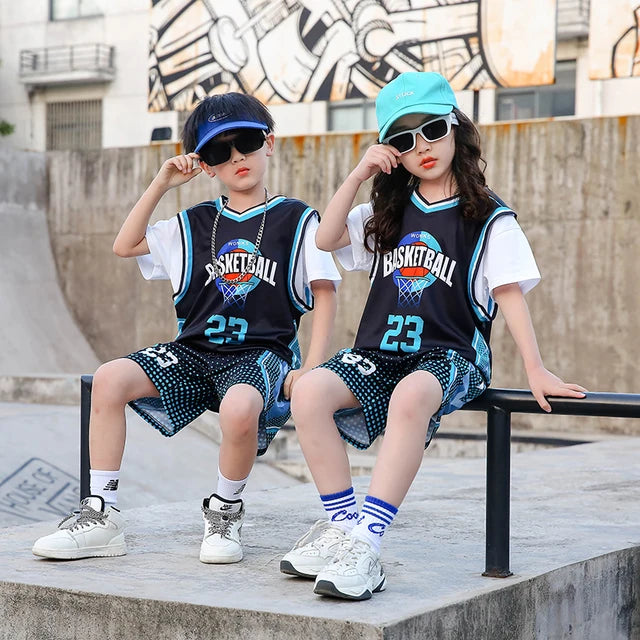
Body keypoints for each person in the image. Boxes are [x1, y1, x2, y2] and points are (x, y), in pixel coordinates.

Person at [279, 72, 586, 600]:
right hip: (381, 352)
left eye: (433, 130)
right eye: (403, 139)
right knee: (308, 391)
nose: (421, 146)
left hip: (452, 356)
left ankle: (367, 544)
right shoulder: (388, 211)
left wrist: (535, 367)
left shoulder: (488, 215)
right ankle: (343, 525)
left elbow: (509, 292)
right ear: (390, 151)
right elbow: (326, 238)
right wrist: (357, 173)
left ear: (456, 131)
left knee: (413, 393)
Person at [32, 93, 341, 563]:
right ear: (207, 165)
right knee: (110, 378)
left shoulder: (297, 219)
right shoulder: (191, 224)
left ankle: (225, 510)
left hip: (262, 354)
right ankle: (103, 513)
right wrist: (162, 182)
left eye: (248, 142)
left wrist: (312, 367)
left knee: (240, 406)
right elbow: (125, 244)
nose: (237, 156)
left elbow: (324, 291)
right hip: (195, 351)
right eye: (220, 150)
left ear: (270, 144)